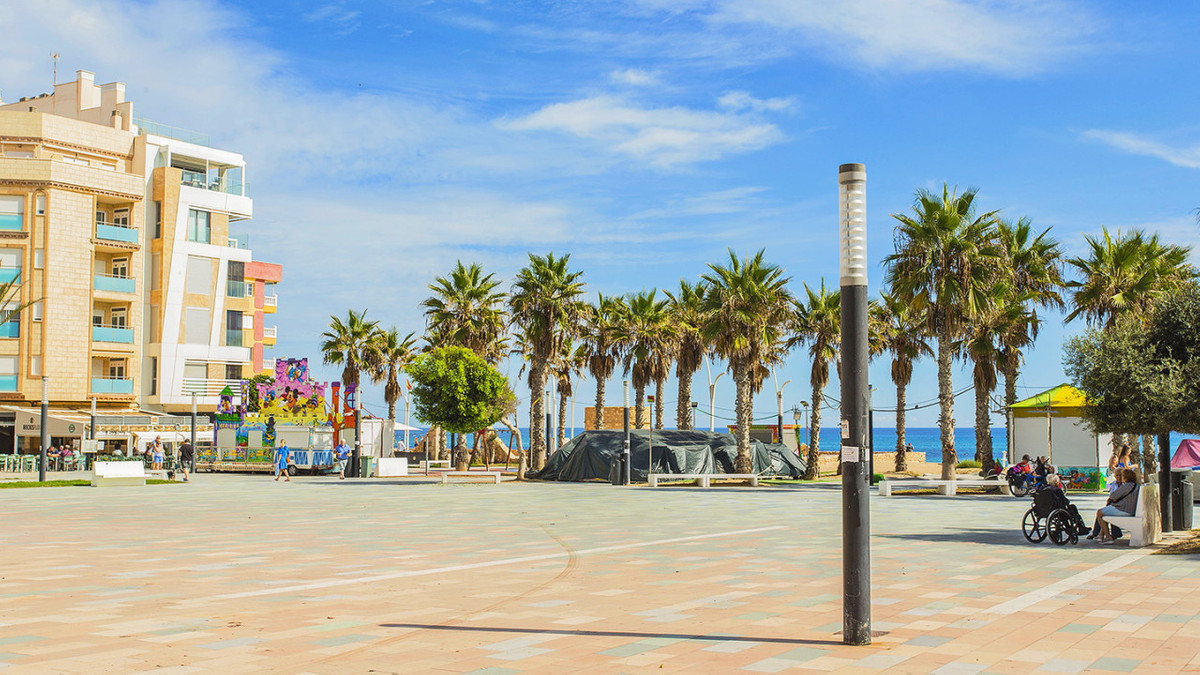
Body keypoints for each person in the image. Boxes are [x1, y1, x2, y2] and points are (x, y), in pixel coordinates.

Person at [1091, 467, 1139, 543]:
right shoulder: (1135, 485)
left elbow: (1113, 496)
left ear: (1126, 478)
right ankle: (1100, 535)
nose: (1120, 477)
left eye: (1121, 476)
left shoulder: (1127, 486)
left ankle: (1108, 537)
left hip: (1125, 509)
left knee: (1100, 513)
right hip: (1129, 508)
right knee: (1104, 512)